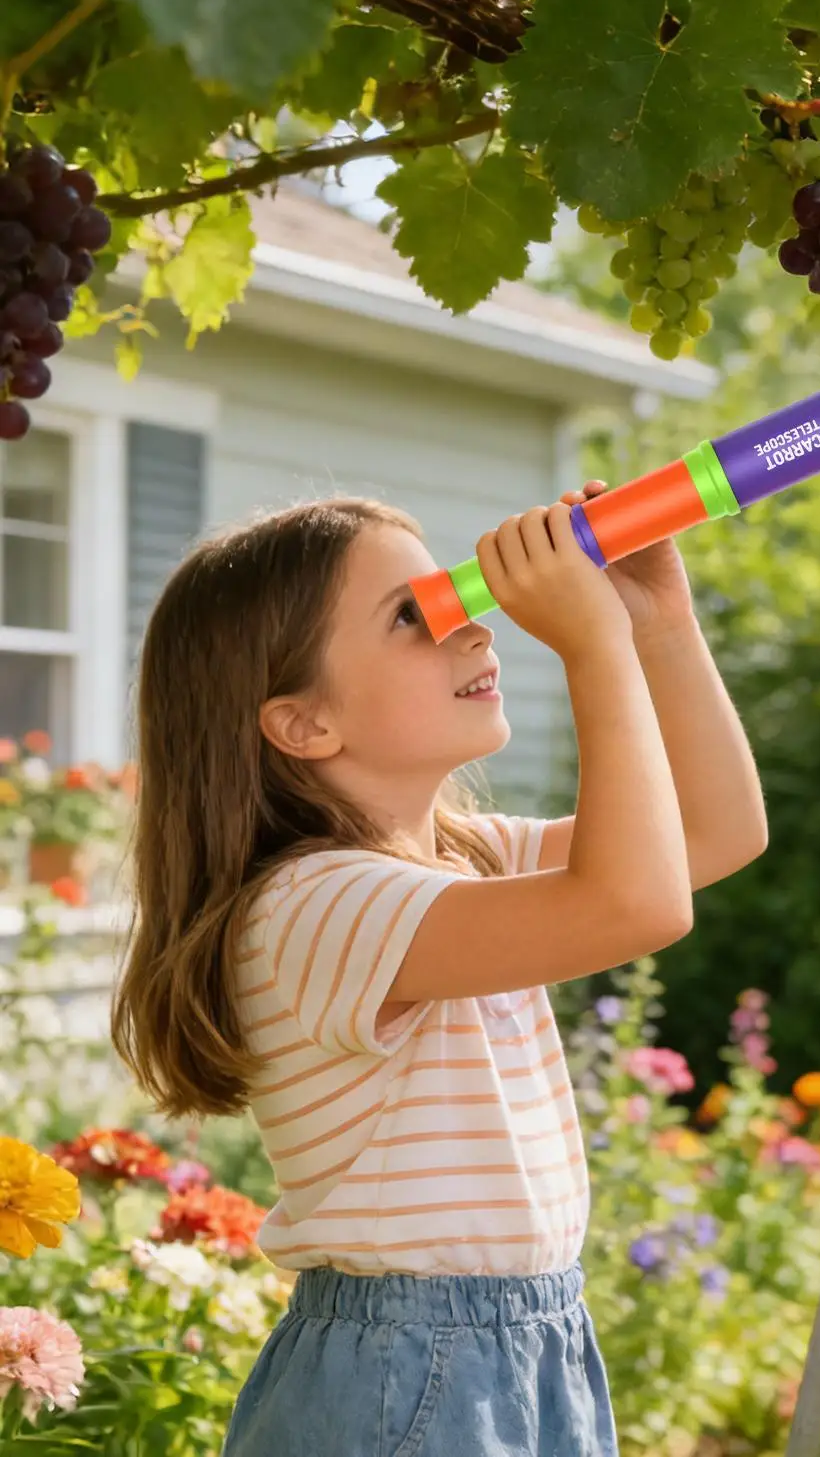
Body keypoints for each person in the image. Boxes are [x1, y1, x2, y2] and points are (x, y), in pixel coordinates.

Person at [110, 481, 767, 1457]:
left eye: (451, 595)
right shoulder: (313, 903)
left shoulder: (467, 856)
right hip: (407, 1369)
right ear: (302, 724)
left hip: (527, 1340)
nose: (473, 626)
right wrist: (591, 646)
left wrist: (658, 627)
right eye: (412, 616)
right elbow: (637, 903)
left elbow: (714, 831)